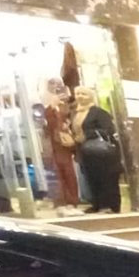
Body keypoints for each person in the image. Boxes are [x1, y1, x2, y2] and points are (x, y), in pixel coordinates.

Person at [72, 86, 123, 214]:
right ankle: (97, 204)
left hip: (101, 152)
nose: (79, 96)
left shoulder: (99, 113)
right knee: (91, 177)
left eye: (83, 94)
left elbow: (108, 130)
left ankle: (110, 205)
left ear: (90, 96)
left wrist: (87, 134)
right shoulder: (77, 114)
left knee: (106, 178)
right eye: (77, 94)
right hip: (86, 152)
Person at [42, 78, 80, 215]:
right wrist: (52, 107)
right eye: (52, 85)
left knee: (68, 172)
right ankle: (61, 202)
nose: (56, 89)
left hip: (63, 145)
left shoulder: (65, 108)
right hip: (53, 145)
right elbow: (48, 126)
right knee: (57, 173)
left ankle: (71, 202)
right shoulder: (48, 109)